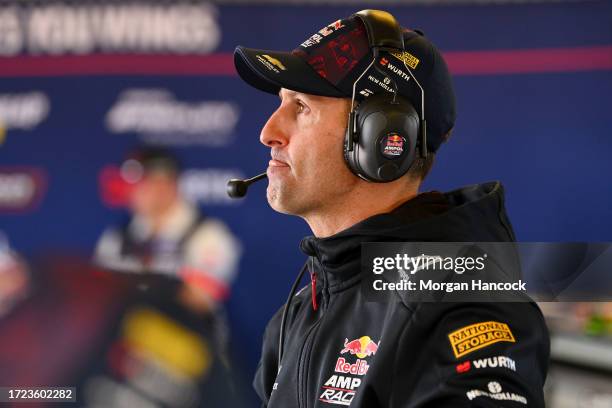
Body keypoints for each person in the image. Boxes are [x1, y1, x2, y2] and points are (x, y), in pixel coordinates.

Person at [233, 9, 549, 407]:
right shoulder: (301, 310)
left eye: (301, 107)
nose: (268, 132)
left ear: (381, 135)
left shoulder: (460, 303)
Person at [94, 147, 240, 314]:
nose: (131, 192)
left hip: (188, 336)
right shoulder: (117, 237)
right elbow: (99, 296)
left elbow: (200, 300)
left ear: (164, 185)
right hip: (128, 336)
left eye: (139, 184)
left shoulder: (208, 235)